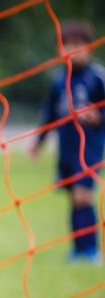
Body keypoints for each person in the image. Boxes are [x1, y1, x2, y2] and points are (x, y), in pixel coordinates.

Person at [30, 20, 104, 263]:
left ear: (89, 47)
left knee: (84, 195)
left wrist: (96, 116)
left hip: (90, 150)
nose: (71, 50)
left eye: (77, 45)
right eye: (66, 45)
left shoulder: (97, 78)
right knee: (74, 198)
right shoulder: (59, 80)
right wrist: (39, 141)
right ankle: (77, 249)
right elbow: (49, 115)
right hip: (67, 150)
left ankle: (91, 249)